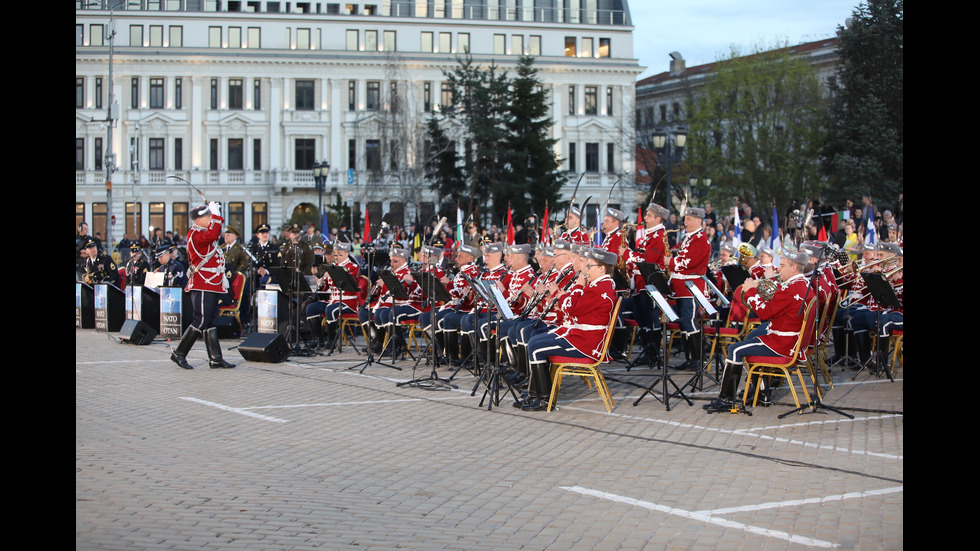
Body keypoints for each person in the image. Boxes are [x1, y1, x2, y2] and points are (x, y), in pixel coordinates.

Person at [704, 249, 812, 412]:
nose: (779, 269)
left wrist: (751, 291)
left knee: (734, 349)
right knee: (752, 339)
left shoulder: (792, 289)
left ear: (794, 267)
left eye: (782, 266)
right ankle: (761, 394)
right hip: (787, 340)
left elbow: (764, 312)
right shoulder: (800, 285)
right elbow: (778, 305)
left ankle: (727, 399)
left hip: (782, 343)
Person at [519, 247, 619, 411]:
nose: (585, 270)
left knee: (536, 346)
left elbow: (569, 307)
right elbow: (571, 306)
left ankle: (544, 399)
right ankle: (535, 392)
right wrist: (573, 292)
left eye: (590, 266)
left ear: (602, 269)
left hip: (586, 344)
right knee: (535, 340)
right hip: (580, 336)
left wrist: (577, 286)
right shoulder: (597, 285)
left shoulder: (601, 289)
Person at [169, 202, 235, 370]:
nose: (210, 219)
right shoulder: (195, 234)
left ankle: (215, 358)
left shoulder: (203, 233)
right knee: (201, 319)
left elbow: (213, 234)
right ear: (198, 219)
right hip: (203, 282)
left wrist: (215, 215)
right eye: (208, 216)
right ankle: (180, 353)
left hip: (212, 282)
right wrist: (217, 216)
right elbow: (213, 235)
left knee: (211, 321)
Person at [667, 206, 711, 370]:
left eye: (689, 219)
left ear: (699, 220)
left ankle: (698, 359)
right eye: (685, 218)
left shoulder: (700, 238)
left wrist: (670, 262)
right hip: (680, 287)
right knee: (684, 324)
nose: (685, 221)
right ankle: (690, 358)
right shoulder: (689, 237)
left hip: (691, 287)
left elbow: (689, 262)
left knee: (690, 322)